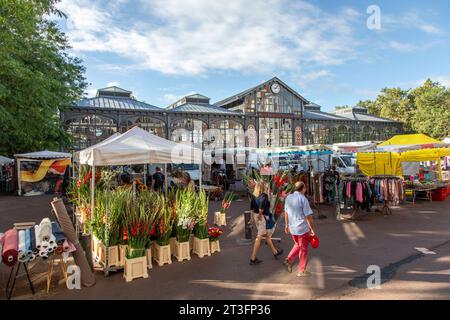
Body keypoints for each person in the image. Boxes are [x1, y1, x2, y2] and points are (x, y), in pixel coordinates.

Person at [283, 181, 316, 277]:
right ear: (304, 188)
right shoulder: (303, 199)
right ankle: (301, 270)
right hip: (302, 228)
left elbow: (286, 212)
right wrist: (312, 228)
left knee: (298, 245)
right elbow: (308, 216)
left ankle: (288, 260)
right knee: (303, 249)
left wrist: (286, 225)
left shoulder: (288, 197)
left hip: (293, 228)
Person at [249, 181, 283, 265]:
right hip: (262, 217)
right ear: (263, 187)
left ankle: (275, 252)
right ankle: (253, 258)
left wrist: (251, 218)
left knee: (267, 235)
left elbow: (251, 208)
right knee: (259, 237)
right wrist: (260, 216)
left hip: (256, 216)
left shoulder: (254, 195)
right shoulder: (264, 196)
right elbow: (261, 209)